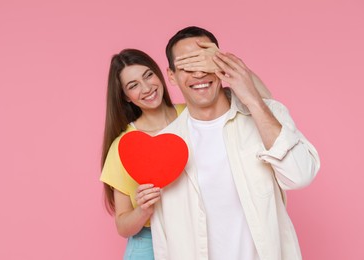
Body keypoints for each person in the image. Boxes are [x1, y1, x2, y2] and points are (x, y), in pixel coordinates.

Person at [150, 26, 321, 260]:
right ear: (171, 76)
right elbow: (163, 236)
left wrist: (251, 97)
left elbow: (300, 175)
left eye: (206, 62)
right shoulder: (164, 145)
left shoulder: (267, 113)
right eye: (188, 66)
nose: (199, 74)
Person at [100, 48, 272, 260]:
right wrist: (143, 210)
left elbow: (266, 104)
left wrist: (224, 62)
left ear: (163, 74)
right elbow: (123, 226)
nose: (146, 88)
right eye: (133, 85)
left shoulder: (196, 115)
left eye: (148, 75)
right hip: (149, 244)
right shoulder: (124, 146)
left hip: (199, 235)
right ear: (125, 97)